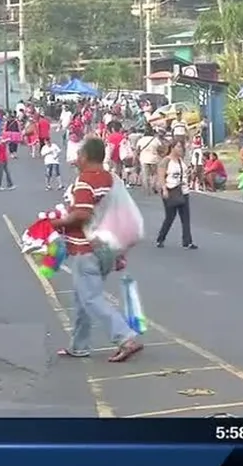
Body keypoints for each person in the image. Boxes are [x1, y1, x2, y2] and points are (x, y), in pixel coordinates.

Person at [50, 137, 143, 363]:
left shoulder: (86, 180)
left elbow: (82, 214)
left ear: (85, 156)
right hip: (107, 247)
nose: (76, 159)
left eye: (79, 155)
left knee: (91, 298)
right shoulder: (111, 179)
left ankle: (125, 337)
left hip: (87, 248)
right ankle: (79, 345)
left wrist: (57, 223)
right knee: (82, 298)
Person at [155, 142, 197, 250]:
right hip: (171, 190)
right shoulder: (166, 161)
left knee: (185, 217)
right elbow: (161, 176)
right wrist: (164, 189)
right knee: (170, 216)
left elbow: (185, 174)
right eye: (178, 147)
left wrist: (191, 174)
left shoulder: (181, 161)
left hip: (183, 191)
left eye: (181, 147)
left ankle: (187, 242)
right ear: (172, 148)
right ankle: (161, 238)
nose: (180, 149)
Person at [136, 127, 162, 194]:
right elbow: (160, 149)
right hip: (154, 158)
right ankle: (153, 185)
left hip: (144, 159)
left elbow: (138, 149)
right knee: (154, 174)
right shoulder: (156, 140)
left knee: (145, 175)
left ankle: (147, 189)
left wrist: (137, 156)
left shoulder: (141, 140)